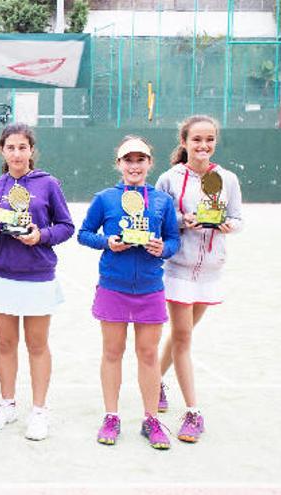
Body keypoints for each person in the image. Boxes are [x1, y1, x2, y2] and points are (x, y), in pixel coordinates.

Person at [78, 136, 180, 450]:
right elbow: (84, 234)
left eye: (140, 160)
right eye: (128, 160)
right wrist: (107, 242)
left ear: (150, 163)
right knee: (112, 353)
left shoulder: (162, 201)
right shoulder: (105, 198)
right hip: (113, 287)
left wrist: (163, 249)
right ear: (119, 163)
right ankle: (112, 416)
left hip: (150, 288)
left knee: (148, 355)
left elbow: (174, 240)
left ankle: (151, 419)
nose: (134, 166)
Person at [0, 123, 74, 440]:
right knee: (6, 345)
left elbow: (65, 226)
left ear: (31, 150)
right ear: (2, 151)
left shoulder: (48, 184)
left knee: (37, 346)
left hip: (38, 278)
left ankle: (39, 411)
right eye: (11, 148)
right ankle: (7, 404)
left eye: (22, 147)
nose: (17, 153)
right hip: (2, 276)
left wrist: (41, 236)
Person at [155, 115, 243, 443]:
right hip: (178, 268)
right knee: (182, 337)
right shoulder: (168, 179)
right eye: (196, 140)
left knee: (182, 335)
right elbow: (159, 219)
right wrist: (183, 220)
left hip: (211, 271)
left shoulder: (228, 179)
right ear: (184, 142)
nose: (203, 145)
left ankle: (156, 382)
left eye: (209, 139)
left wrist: (227, 225)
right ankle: (193, 412)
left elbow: (238, 218)